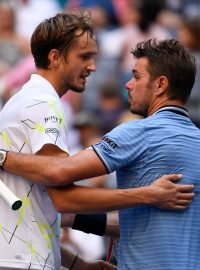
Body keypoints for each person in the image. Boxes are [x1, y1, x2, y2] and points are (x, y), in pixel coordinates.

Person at [1, 38, 197, 269]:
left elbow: (60, 174)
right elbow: (148, 222)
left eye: (136, 76)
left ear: (160, 84)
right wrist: (78, 252)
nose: (128, 84)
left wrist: (3, 156)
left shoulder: (138, 132)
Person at [0, 11, 118, 270]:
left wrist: (78, 264)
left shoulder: (27, 98)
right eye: (84, 56)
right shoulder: (44, 103)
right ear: (55, 57)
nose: (92, 66)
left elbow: (38, 210)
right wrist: (147, 197)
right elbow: (64, 199)